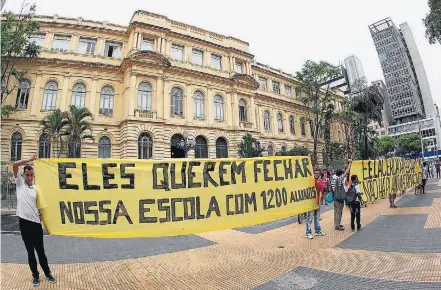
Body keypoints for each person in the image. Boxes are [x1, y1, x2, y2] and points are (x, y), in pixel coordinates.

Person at [13, 154, 56, 287]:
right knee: (30, 252)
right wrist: (30, 160)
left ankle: (47, 273)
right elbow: (15, 165)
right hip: (24, 224)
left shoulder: (36, 188)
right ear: (24, 175)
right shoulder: (19, 184)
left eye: (32, 175)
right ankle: (35, 276)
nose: (30, 177)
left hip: (36, 224)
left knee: (41, 251)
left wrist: (48, 225)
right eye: (27, 175)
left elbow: (43, 206)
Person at [306, 169, 326, 239]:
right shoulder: (311, 181)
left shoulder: (320, 182)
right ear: (313, 174)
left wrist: (319, 203)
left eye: (318, 173)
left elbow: (321, 193)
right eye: (315, 173)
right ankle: (308, 232)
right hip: (311, 203)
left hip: (317, 202)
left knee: (317, 218)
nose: (317, 174)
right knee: (310, 218)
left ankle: (317, 231)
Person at [333, 159, 352, 231]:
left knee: (335, 212)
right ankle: (337, 226)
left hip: (335, 198)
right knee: (339, 212)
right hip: (339, 199)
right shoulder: (340, 178)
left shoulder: (333, 178)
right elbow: (346, 172)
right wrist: (350, 163)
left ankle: (336, 224)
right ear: (341, 174)